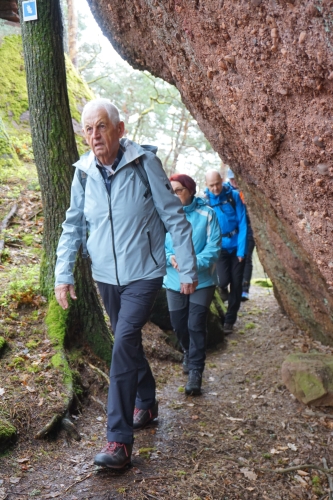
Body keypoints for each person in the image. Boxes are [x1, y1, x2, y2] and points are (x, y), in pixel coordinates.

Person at [54, 98, 198, 469]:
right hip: (105, 276)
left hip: (144, 273)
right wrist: (63, 273)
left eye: (101, 126)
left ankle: (118, 440)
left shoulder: (143, 163)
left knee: (122, 343)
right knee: (128, 342)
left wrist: (188, 269)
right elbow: (73, 225)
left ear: (120, 128)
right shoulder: (83, 172)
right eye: (88, 129)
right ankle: (147, 402)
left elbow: (174, 217)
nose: (94, 135)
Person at [164, 174, 221, 395]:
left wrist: (190, 264)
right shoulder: (165, 215)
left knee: (196, 324)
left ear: (190, 190)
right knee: (178, 324)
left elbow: (214, 248)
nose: (174, 194)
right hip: (173, 278)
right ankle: (188, 351)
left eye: (178, 190)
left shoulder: (207, 214)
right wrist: (171, 258)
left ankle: (196, 370)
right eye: (171, 191)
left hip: (202, 279)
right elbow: (157, 244)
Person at [205, 170, 247, 335]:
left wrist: (242, 251)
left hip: (237, 245)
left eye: (217, 183)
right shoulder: (205, 201)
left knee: (236, 284)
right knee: (222, 281)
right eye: (211, 185)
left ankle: (230, 320)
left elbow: (243, 223)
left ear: (222, 180)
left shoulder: (233, 196)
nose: (215, 188)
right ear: (207, 185)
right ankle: (222, 290)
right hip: (219, 247)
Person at [226, 168, 255, 301]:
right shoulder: (226, 192)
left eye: (235, 178)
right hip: (232, 231)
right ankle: (230, 287)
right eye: (232, 179)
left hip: (248, 228)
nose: (234, 181)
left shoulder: (247, 191)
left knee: (246, 257)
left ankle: (244, 289)